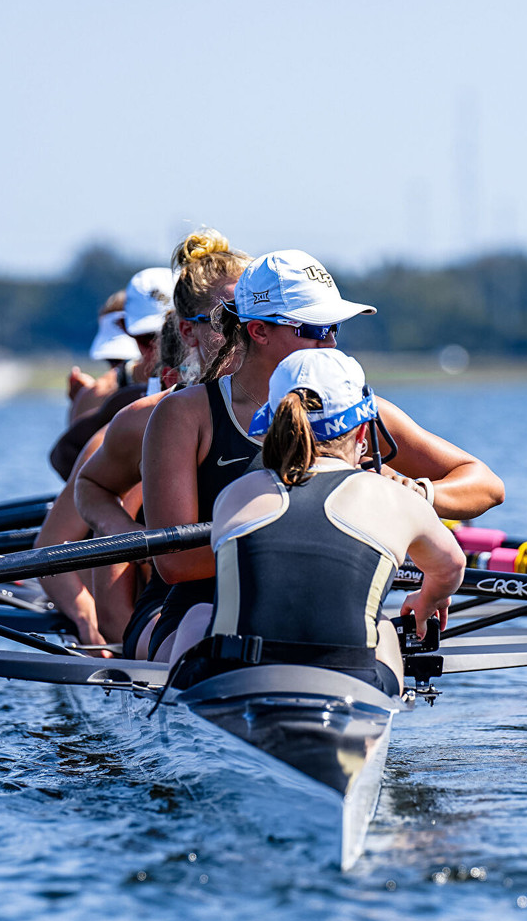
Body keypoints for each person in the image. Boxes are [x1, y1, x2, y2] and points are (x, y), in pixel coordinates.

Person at [137, 249, 504, 665]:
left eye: (334, 328)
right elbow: (176, 564)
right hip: (208, 611)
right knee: (198, 623)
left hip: (330, 608)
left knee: (380, 630)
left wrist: (415, 496)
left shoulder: (357, 411)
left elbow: (486, 485)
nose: (329, 344)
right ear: (258, 330)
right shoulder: (185, 415)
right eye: (314, 329)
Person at [170, 348, 465, 696]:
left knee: (196, 617)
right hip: (350, 685)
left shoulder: (236, 496)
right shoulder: (396, 498)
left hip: (237, 682)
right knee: (382, 627)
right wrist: (428, 599)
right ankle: (376, 724)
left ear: (270, 432)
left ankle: (179, 711)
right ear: (362, 436)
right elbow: (452, 566)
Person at [32, 233, 241, 646]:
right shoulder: (144, 420)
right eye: (139, 342)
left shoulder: (295, 408)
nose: (140, 359)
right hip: (173, 611)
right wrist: (96, 627)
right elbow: (58, 540)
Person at [51, 268, 172, 479]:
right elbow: (72, 473)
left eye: (166, 336)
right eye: (113, 362)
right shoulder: (97, 395)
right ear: (126, 329)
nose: (157, 348)